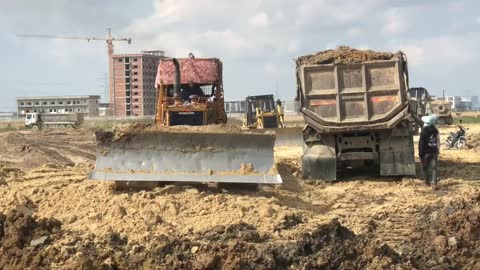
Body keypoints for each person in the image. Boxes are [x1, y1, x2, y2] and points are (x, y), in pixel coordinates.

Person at [419, 114, 440, 189]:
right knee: (434, 168)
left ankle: (427, 181)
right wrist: (437, 151)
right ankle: (434, 184)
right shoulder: (435, 130)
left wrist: (421, 154)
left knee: (424, 167)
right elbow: (438, 141)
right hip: (434, 152)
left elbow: (421, 144)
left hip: (426, 153)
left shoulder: (423, 132)